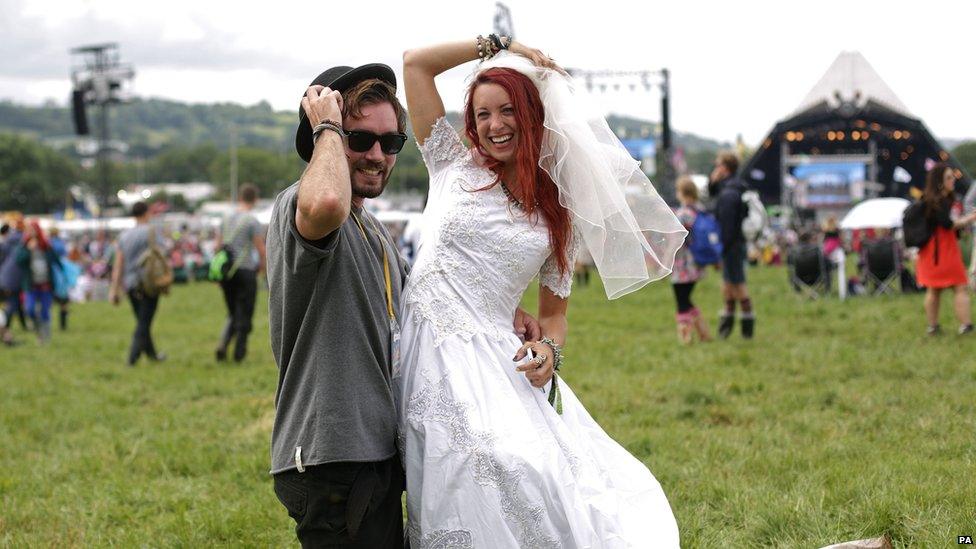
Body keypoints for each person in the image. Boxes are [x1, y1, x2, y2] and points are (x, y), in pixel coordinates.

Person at [399, 37, 684, 546]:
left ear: (532, 115)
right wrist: (503, 45)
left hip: (495, 356)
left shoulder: (557, 216)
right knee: (465, 467)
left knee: (532, 471)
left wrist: (549, 349)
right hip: (423, 347)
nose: (494, 125)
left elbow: (554, 316)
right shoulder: (450, 166)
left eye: (507, 110)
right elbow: (416, 65)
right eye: (482, 114)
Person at [265, 64, 542, 548]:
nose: (377, 155)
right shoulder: (305, 205)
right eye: (359, 139)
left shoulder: (372, 230)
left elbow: (425, 304)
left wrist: (503, 309)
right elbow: (326, 199)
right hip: (334, 457)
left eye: (390, 144)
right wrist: (326, 126)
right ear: (322, 135)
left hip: (373, 453)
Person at [916, 164, 976, 335]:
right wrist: (970, 218)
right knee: (959, 286)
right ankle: (966, 325)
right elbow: (948, 224)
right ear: (940, 181)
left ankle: (933, 326)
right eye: (948, 178)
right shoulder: (940, 201)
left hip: (932, 251)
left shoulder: (929, 199)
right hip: (941, 249)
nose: (953, 180)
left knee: (934, 289)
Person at [110, 201, 167, 366]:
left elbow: (118, 264)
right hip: (148, 283)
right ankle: (132, 358)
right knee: (144, 322)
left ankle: (152, 355)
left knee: (142, 319)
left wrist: (114, 289)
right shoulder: (151, 232)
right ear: (147, 213)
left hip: (130, 284)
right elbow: (162, 254)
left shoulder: (123, 236)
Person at [214, 183, 266, 362]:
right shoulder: (252, 221)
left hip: (226, 271)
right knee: (245, 310)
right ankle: (239, 352)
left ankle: (223, 342)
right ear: (255, 199)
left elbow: (217, 245)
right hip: (245, 269)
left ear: (240, 197)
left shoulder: (225, 218)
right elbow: (260, 248)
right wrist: (263, 267)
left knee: (232, 311)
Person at [709, 150, 754, 339]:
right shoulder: (735, 187)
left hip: (731, 245)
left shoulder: (729, 194)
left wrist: (721, 249)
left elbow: (727, 227)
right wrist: (713, 181)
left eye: (718, 165)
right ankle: (728, 326)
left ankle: (746, 328)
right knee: (728, 285)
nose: (715, 169)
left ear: (725, 168)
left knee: (738, 285)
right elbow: (712, 192)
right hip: (735, 244)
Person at [671, 176, 711, 343]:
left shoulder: (682, 214)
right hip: (697, 262)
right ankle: (703, 332)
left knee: (681, 300)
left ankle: (686, 336)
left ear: (681, 193)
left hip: (682, 264)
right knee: (686, 298)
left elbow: (675, 239)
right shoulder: (700, 211)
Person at [15, 221, 63, 344]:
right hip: (31, 284)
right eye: (29, 230)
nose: (32, 232)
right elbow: (18, 261)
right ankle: (38, 330)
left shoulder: (46, 245)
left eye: (34, 229)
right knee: (29, 309)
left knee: (45, 311)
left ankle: (45, 338)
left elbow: (56, 260)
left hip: (45, 284)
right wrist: (28, 250)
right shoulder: (24, 245)